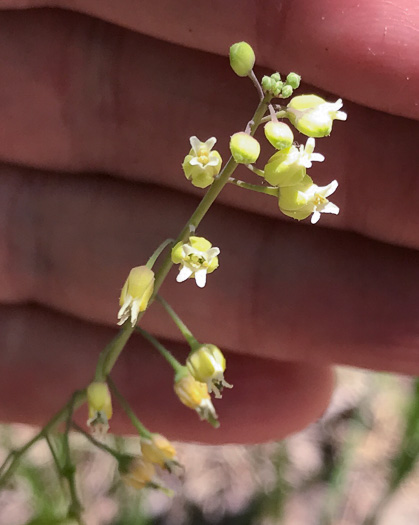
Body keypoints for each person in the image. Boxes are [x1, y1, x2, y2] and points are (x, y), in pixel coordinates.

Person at [0, 0, 417, 443]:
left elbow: (264, 161)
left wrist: (301, 177)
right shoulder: (225, 157)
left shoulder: (273, 155)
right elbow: (236, 155)